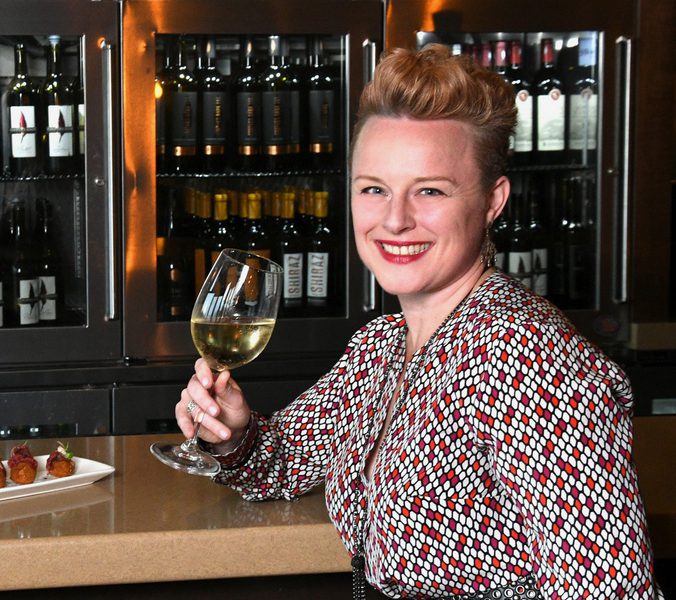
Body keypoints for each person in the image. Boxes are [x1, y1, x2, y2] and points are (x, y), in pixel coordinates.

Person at [175, 44, 658, 599]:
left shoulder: (525, 355)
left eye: (430, 190)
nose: (395, 220)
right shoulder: (382, 347)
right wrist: (233, 435)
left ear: (492, 201)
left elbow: (610, 590)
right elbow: (281, 465)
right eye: (374, 189)